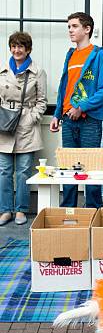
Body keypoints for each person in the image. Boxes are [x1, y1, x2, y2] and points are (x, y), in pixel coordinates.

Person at [50, 12, 103, 208]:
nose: (70, 30)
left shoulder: (99, 56)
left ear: (87, 29)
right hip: (68, 120)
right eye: (69, 26)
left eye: (74, 26)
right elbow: (64, 88)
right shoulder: (70, 55)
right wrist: (57, 113)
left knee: (92, 169)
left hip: (90, 121)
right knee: (68, 169)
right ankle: (68, 212)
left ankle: (93, 212)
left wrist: (81, 107)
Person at [0, 32, 47, 226]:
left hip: (27, 127)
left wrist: (31, 118)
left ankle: (21, 210)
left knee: (23, 171)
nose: (17, 50)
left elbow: (42, 101)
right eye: (14, 46)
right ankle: (5, 210)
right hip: (4, 125)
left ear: (28, 49)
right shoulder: (2, 71)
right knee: (4, 170)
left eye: (21, 47)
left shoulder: (38, 72)